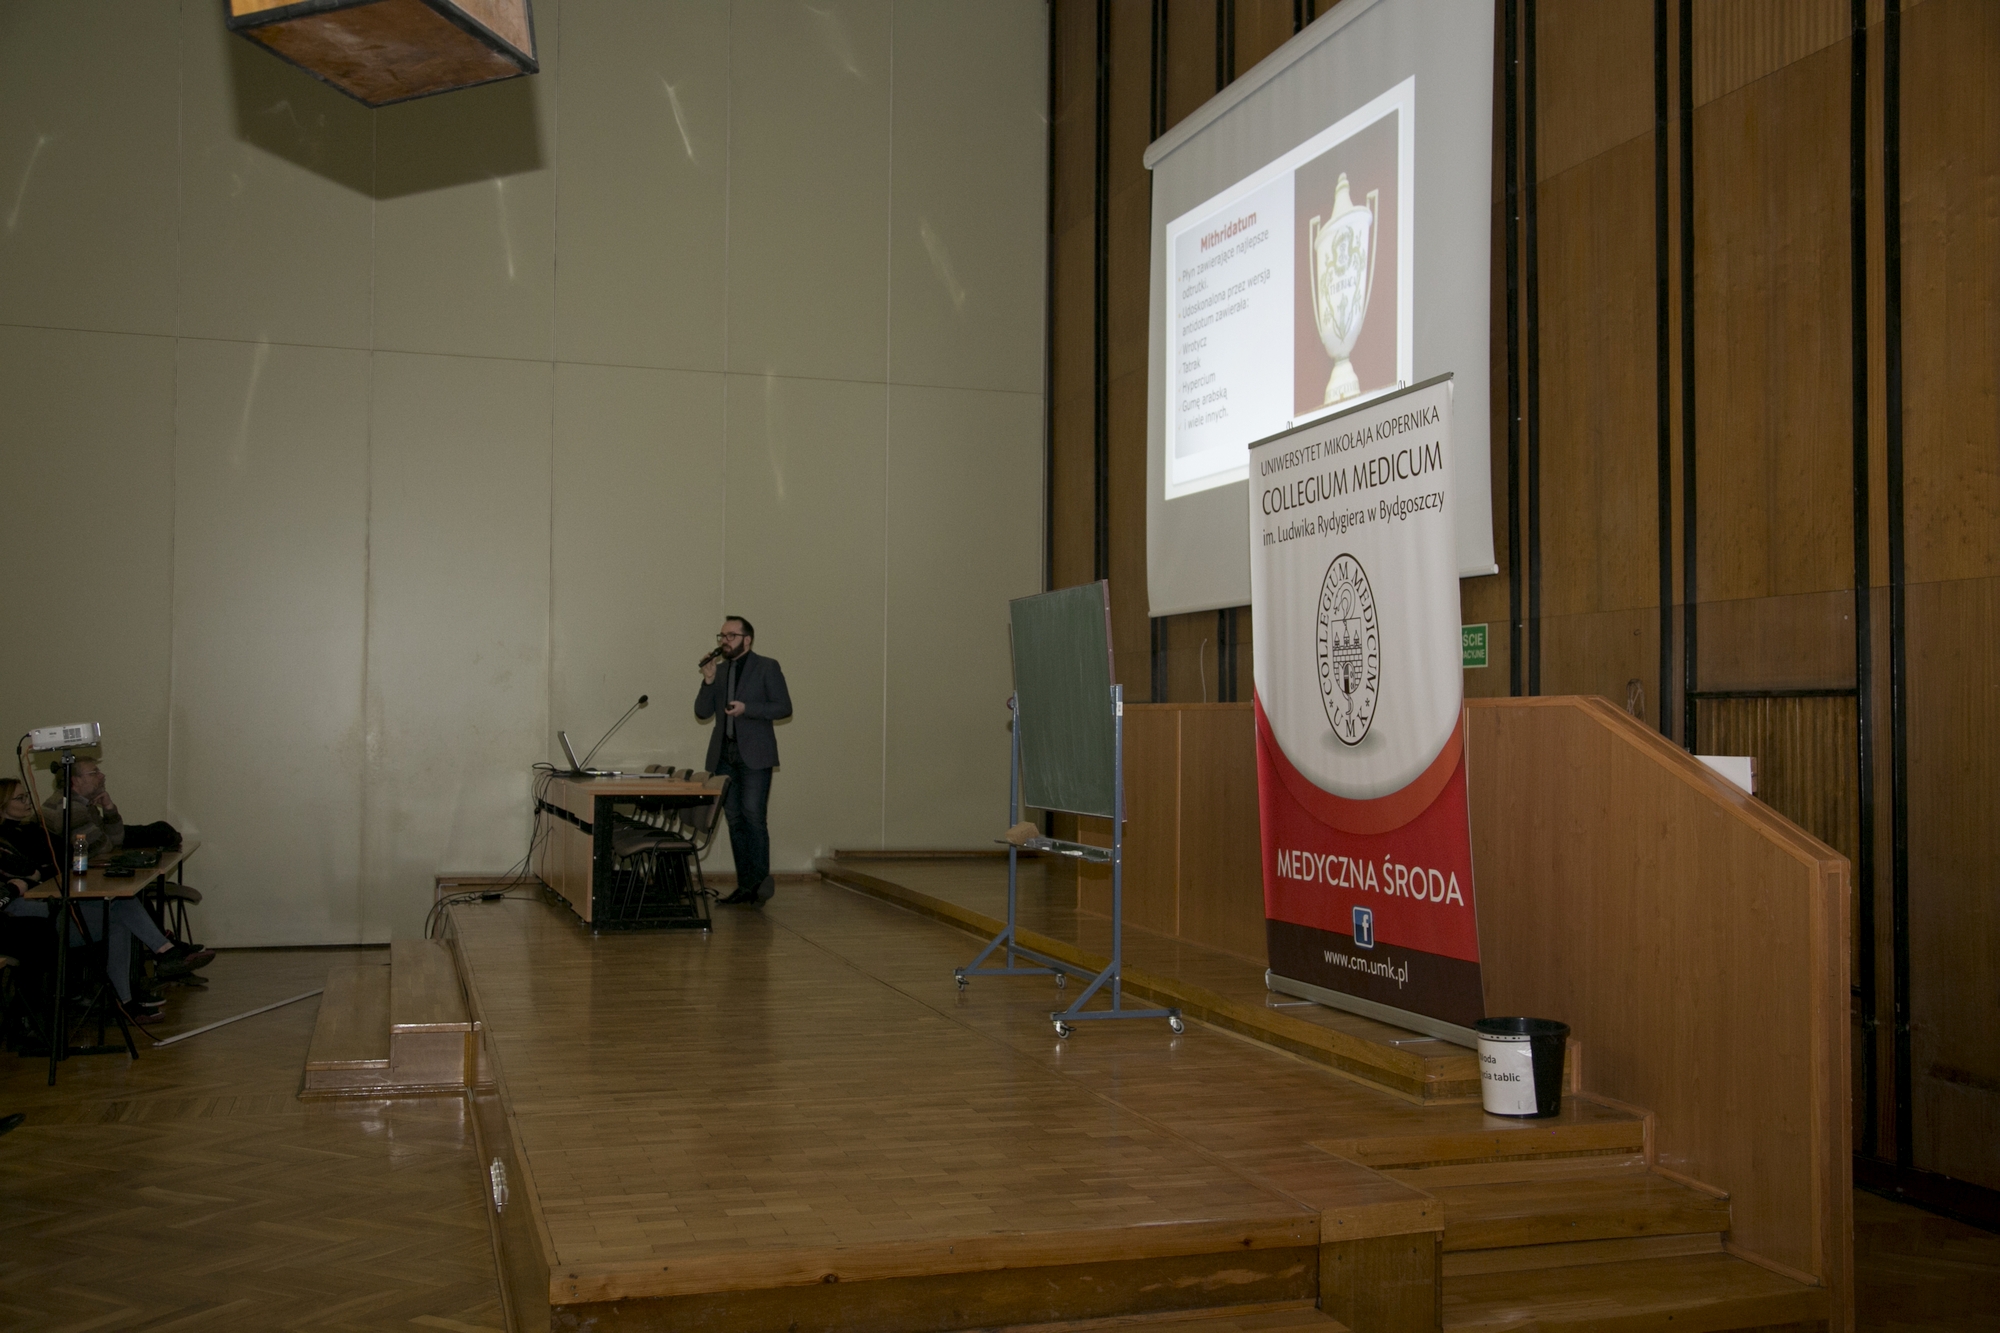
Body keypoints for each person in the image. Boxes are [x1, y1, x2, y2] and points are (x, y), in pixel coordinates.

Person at [3, 777, 209, 1020]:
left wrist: (108, 810)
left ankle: (128, 994)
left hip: (51, 900)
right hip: (25, 917)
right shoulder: (7, 836)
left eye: (26, 795)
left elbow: (71, 853)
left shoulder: (32, 829)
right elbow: (31, 871)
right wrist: (40, 872)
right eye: (20, 798)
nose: (27, 801)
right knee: (119, 911)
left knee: (122, 907)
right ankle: (159, 959)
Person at [693, 616, 792, 907]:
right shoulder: (720, 670)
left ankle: (759, 886)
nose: (724, 641)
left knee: (753, 816)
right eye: (721, 636)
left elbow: (783, 707)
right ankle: (745, 885)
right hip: (724, 756)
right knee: (735, 819)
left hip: (754, 755)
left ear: (747, 640)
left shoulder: (767, 667)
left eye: (731, 636)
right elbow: (702, 712)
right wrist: (708, 680)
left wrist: (748, 709)